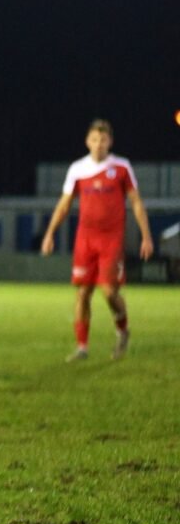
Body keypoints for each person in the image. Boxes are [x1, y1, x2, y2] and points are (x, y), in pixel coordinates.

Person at [40, 120, 154, 362]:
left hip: (111, 239)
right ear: (87, 142)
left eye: (103, 140)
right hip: (85, 239)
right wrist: (50, 233)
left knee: (110, 292)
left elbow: (135, 201)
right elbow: (64, 205)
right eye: (94, 140)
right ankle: (82, 347)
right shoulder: (77, 169)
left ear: (110, 142)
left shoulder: (121, 167)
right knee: (82, 292)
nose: (98, 144)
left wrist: (146, 235)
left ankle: (122, 331)